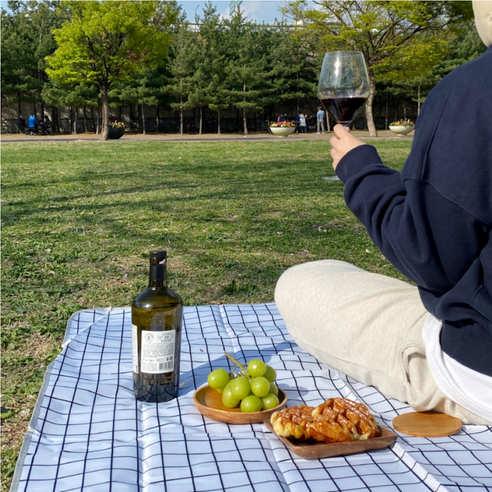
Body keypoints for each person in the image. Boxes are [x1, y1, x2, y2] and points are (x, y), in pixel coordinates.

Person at [275, 0, 492, 426]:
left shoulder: (474, 90)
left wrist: (361, 172)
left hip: (478, 366)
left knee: (301, 281)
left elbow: (432, 259)